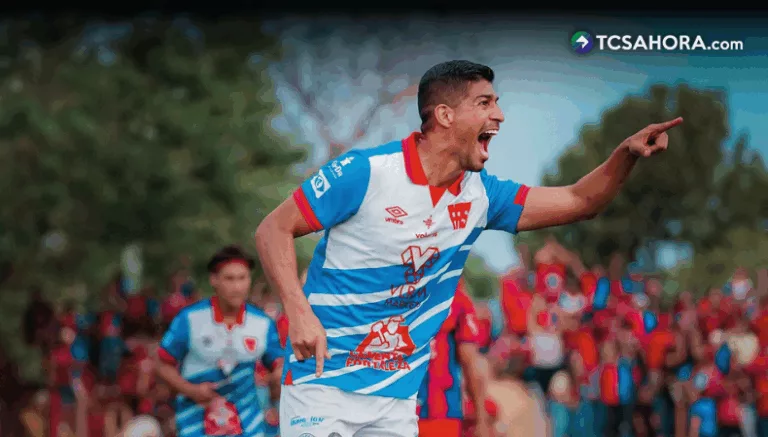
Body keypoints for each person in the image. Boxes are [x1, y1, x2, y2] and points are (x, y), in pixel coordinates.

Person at [254, 59, 683, 437]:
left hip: (395, 397)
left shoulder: (482, 195)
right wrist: (298, 310)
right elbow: (273, 229)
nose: (499, 114)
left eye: (497, 103)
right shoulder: (366, 173)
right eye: (484, 103)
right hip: (322, 384)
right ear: (444, 115)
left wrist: (625, 155)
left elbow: (579, 200)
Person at [154, 245, 284, 437]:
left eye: (242, 278)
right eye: (229, 279)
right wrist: (191, 390)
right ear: (214, 280)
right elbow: (161, 364)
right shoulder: (190, 319)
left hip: (248, 424)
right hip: (196, 422)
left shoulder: (263, 324)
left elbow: (278, 363)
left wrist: (276, 377)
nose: (237, 287)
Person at [416, 279, 490, 437]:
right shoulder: (455, 297)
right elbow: (471, 365)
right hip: (438, 416)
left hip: (426, 413)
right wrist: (481, 420)